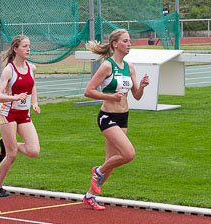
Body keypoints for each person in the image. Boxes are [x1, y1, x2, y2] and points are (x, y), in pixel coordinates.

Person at [82, 29, 150, 210]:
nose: (129, 44)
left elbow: (136, 96)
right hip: (107, 117)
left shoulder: (130, 67)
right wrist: (110, 97)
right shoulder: (107, 66)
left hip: (123, 117)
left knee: (112, 160)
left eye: (130, 41)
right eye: (125, 41)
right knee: (128, 154)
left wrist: (142, 86)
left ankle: (89, 195)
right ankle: (98, 171)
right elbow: (88, 91)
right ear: (115, 44)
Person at [0, 35, 41, 198]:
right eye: (25, 46)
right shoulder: (9, 70)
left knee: (34, 151)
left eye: (29, 46)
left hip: (23, 115)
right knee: (12, 155)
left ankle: (6, 144)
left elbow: (32, 86)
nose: (28, 49)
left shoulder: (31, 68)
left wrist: (34, 103)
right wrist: (14, 97)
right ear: (15, 49)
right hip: (8, 114)